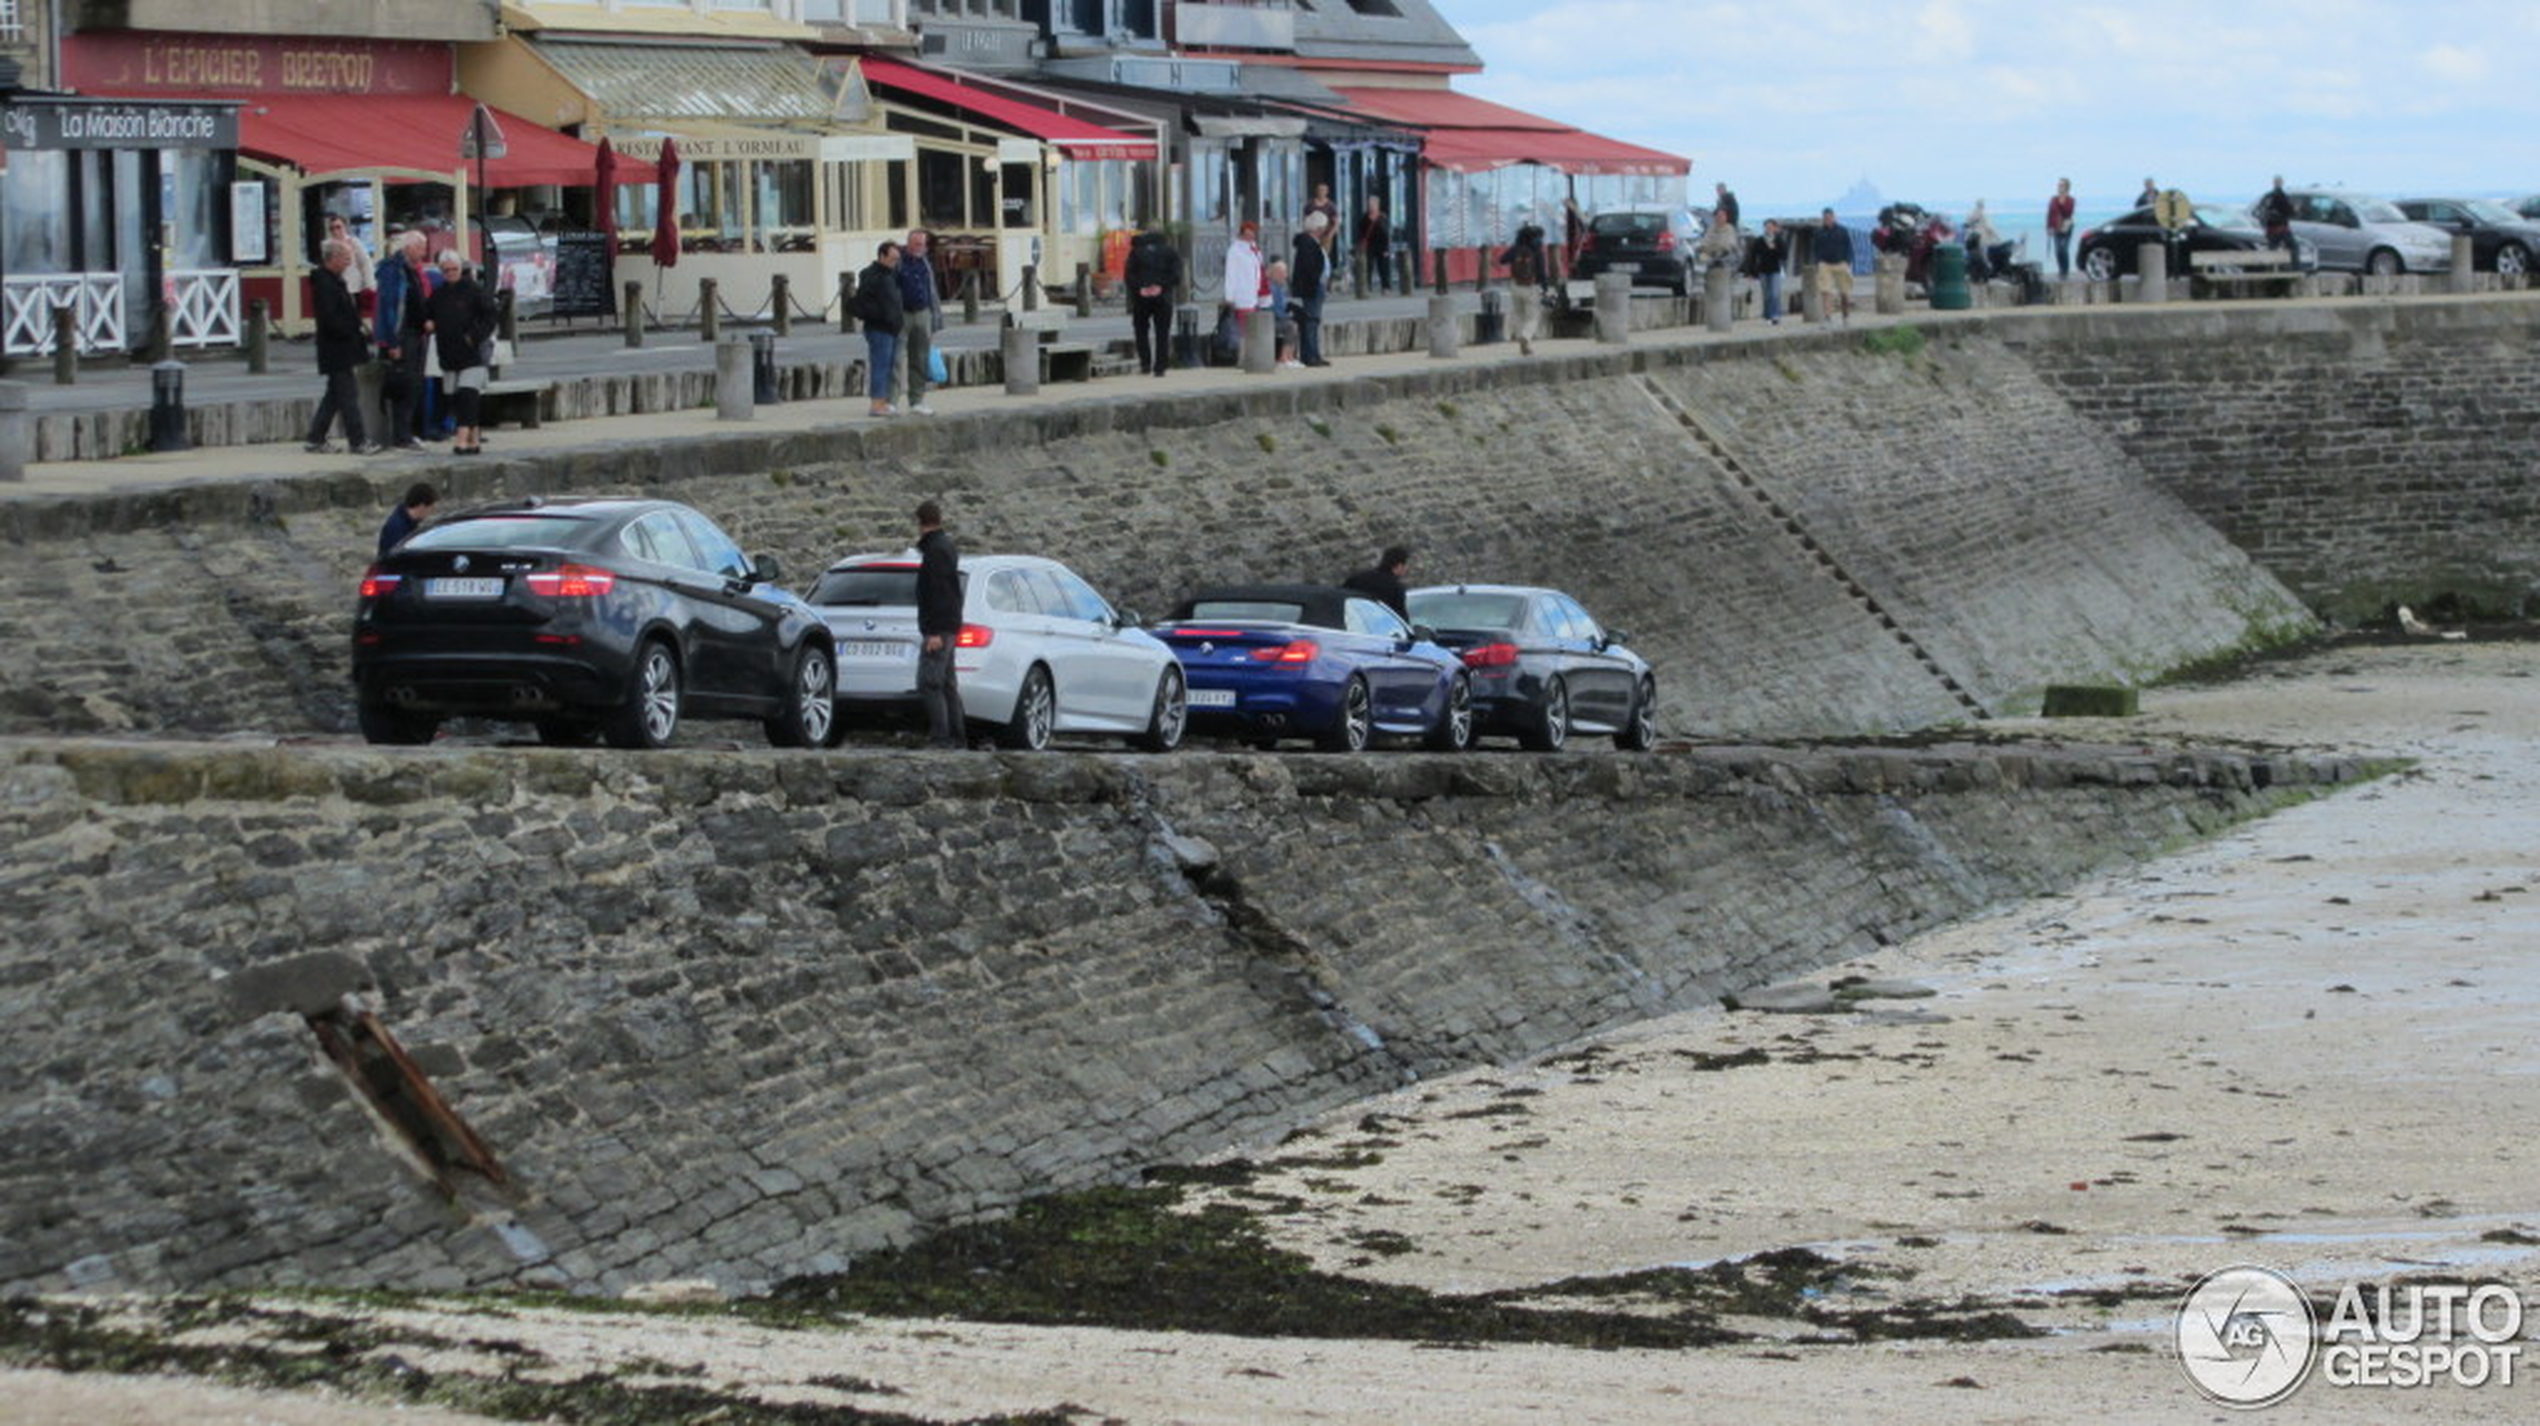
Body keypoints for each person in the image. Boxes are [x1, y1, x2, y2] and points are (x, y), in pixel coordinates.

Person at [304, 238, 380, 456]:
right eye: (346, 257)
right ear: (334, 258)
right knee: (348, 396)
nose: (349, 262)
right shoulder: (325, 283)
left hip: (341, 347)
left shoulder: (334, 280)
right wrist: (350, 330)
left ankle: (315, 437)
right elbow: (330, 318)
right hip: (336, 348)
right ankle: (358, 441)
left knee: (334, 395)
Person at [425, 252, 497, 455]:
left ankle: (461, 439)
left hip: (473, 353)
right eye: (445, 270)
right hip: (448, 353)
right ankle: (474, 440)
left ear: (460, 269)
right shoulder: (438, 294)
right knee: (456, 398)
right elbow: (428, 314)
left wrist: (474, 336)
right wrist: (429, 323)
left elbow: (490, 317)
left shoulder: (474, 290)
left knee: (467, 393)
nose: (450, 273)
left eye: (454, 269)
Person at [372, 230, 431, 451]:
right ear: (408, 248)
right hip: (402, 335)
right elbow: (388, 308)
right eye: (420, 248)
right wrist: (392, 342)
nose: (424, 253)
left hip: (417, 334)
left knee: (415, 385)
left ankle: (409, 432)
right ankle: (401, 435)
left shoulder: (414, 271)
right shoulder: (393, 271)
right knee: (404, 386)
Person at [914, 499, 964, 750]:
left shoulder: (934, 551)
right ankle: (956, 737)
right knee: (946, 683)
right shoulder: (947, 548)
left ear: (920, 523)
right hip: (950, 625)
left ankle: (941, 738)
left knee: (929, 682)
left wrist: (933, 632)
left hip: (939, 627)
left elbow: (937, 592)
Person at [1124, 228, 1182, 377]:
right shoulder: (1170, 252)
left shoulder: (1136, 252)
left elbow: (1129, 275)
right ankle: (1160, 367)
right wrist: (1161, 286)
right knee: (1162, 332)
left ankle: (1145, 364)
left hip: (1141, 297)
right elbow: (1176, 276)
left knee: (1141, 330)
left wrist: (1140, 288)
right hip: (1163, 297)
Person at [856, 240, 905, 418]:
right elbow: (868, 301)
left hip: (891, 328)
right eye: (892, 259)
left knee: (889, 365)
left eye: (897, 260)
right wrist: (884, 317)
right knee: (880, 365)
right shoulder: (872, 275)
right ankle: (876, 404)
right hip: (879, 328)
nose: (895, 263)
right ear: (882, 256)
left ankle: (883, 402)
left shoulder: (891, 275)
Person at [897, 228, 942, 415]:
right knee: (896, 359)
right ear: (908, 244)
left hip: (923, 313)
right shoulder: (898, 262)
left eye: (923, 245)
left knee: (920, 358)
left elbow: (932, 290)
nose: (920, 248)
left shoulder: (925, 263)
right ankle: (890, 401)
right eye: (916, 244)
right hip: (901, 314)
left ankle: (917, 400)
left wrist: (936, 317)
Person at [1290, 212, 1331, 367]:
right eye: (1323, 227)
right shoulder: (1308, 243)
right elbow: (1310, 267)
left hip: (1316, 286)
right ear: (1317, 228)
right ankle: (1310, 355)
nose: (1324, 230)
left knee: (1313, 320)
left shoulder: (1312, 242)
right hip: (1312, 288)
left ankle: (1314, 353)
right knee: (1311, 321)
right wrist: (1317, 281)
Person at [1501, 222, 1547, 356]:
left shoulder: (1516, 248)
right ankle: (1526, 337)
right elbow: (1541, 272)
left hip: (1515, 285)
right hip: (1531, 287)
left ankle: (1522, 341)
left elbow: (1503, 260)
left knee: (1519, 314)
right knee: (1533, 317)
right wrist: (1544, 288)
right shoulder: (1537, 250)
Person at [1811, 208, 1854, 325]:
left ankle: (1845, 317)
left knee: (1844, 291)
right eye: (1825, 218)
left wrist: (1847, 261)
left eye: (1830, 218)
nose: (1828, 220)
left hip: (1841, 263)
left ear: (1834, 217)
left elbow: (1849, 247)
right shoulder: (1819, 232)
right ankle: (1828, 317)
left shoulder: (1843, 231)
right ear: (1823, 219)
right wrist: (1818, 262)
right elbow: (1815, 248)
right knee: (1826, 291)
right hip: (1825, 264)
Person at [1342, 546, 1411, 618]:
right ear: (1399, 566)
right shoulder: (1396, 588)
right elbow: (1400, 618)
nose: (1406, 569)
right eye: (1406, 565)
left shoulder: (1357, 578)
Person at [1746, 218, 1789, 325]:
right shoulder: (1759, 240)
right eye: (1766, 227)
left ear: (1775, 228)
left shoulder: (1779, 240)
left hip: (1775, 270)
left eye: (1770, 227)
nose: (1768, 229)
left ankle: (1775, 315)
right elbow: (1753, 257)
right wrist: (1751, 272)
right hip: (1763, 270)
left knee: (1774, 293)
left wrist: (1775, 248)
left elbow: (1784, 256)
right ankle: (1767, 316)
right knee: (1766, 294)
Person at [377, 482, 437, 557]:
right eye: (431, 509)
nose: (430, 513)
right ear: (422, 506)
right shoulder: (396, 526)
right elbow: (400, 557)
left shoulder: (409, 522)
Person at [1267, 259, 1300, 368]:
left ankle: (1290, 357)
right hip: (1269, 320)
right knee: (1291, 326)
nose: (1285, 276)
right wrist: (1288, 315)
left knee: (1294, 323)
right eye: (1283, 273)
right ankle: (1284, 357)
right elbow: (1276, 310)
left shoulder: (1279, 287)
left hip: (1276, 317)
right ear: (1275, 274)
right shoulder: (1272, 288)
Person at [1359, 196, 1392, 293]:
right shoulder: (1364, 218)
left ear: (1377, 205)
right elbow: (1361, 232)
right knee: (1368, 266)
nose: (1371, 207)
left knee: (1383, 267)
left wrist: (1386, 249)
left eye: (1373, 205)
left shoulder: (1383, 217)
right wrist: (1361, 243)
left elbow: (1387, 234)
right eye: (1369, 205)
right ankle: (1367, 286)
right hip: (1369, 245)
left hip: (1381, 245)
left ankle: (1385, 287)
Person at [2255, 175, 2295, 254]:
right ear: (2282, 183)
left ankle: (2272, 264)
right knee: (2294, 247)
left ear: (2273, 183)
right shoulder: (2282, 196)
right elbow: (2288, 211)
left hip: (2270, 228)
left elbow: (2259, 210)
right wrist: (2295, 210)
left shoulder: (2268, 196)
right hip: (2281, 227)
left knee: (2272, 249)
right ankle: (2294, 265)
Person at [2047, 178, 2077, 280]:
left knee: (2064, 249)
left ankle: (2065, 270)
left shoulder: (2071, 200)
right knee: (2058, 250)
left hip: (2066, 226)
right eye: (2059, 185)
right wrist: (2049, 227)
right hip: (2056, 226)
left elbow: (2068, 212)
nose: (2059, 187)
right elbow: (2050, 214)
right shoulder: (2053, 199)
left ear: (2067, 187)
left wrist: (2061, 200)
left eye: (2062, 185)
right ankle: (2061, 270)